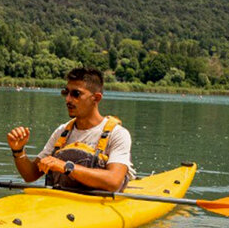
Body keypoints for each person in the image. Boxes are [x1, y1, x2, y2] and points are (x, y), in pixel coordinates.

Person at [7, 67, 135, 192]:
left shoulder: (118, 134)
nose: (68, 99)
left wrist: (66, 167)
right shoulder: (62, 132)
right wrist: (18, 151)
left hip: (97, 207)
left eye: (76, 94)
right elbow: (31, 175)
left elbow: (113, 181)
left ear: (96, 98)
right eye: (66, 92)